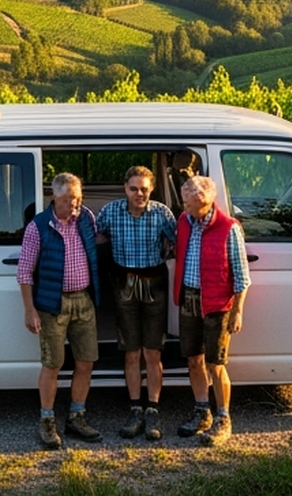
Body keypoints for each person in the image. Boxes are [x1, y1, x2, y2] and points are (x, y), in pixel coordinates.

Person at [18, 172, 102, 449]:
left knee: (86, 361)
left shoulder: (86, 219)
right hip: (52, 304)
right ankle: (47, 421)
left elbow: (97, 244)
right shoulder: (38, 226)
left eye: (78, 198)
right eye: (68, 200)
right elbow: (25, 273)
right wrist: (29, 310)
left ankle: (76, 417)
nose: (74, 205)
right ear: (55, 197)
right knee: (53, 364)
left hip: (83, 300)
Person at [95, 164, 178, 440]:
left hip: (154, 280)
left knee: (152, 351)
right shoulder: (110, 212)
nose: (139, 194)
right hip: (123, 281)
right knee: (130, 350)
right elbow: (96, 236)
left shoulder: (163, 213)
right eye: (134, 188)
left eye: (144, 189)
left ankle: (152, 410)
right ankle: (134, 409)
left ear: (151, 189)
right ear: (125, 188)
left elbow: (176, 241)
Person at [174, 175, 250, 445]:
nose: (184, 208)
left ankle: (223, 419)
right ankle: (201, 412)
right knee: (193, 359)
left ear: (204, 202)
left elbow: (242, 277)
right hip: (190, 299)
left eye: (187, 204)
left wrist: (238, 311)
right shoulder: (185, 223)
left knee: (215, 364)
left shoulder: (229, 228)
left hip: (218, 304)